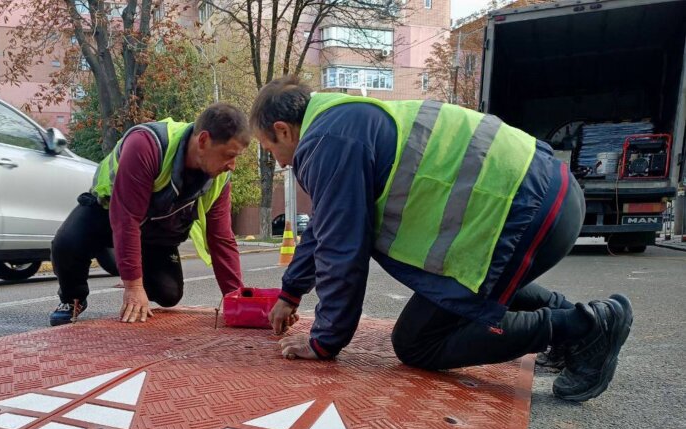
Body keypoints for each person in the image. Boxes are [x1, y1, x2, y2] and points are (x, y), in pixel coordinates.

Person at [250, 77, 633, 402]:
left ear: (283, 129)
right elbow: (323, 227)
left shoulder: (326, 141)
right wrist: (290, 293)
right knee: (463, 290)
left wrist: (324, 341)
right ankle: (568, 328)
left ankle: (585, 327)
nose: (282, 162)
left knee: (417, 343)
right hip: (549, 197)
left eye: (272, 149)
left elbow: (341, 249)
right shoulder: (346, 120)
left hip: (525, 214)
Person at [49, 103, 250, 326]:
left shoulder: (220, 177)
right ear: (203, 141)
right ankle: (72, 298)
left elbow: (221, 238)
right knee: (66, 244)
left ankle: (115, 256)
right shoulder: (145, 145)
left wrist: (236, 300)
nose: (232, 165)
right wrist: (133, 288)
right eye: (229, 155)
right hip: (107, 214)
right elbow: (126, 220)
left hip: (156, 234)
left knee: (169, 294)